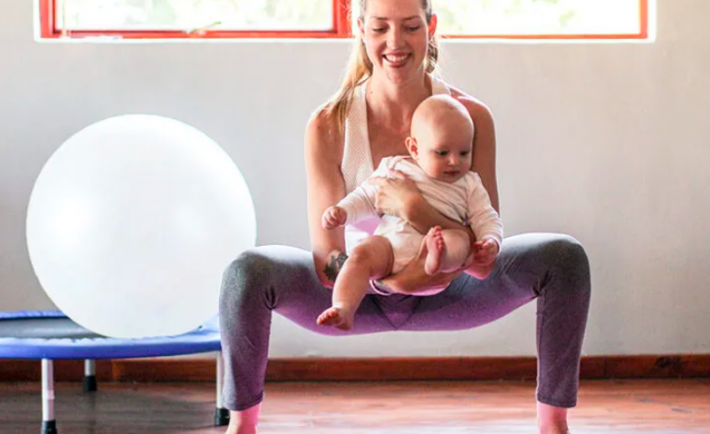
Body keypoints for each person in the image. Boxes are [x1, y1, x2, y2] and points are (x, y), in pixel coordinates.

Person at [219, 0, 591, 433]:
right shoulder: (329, 124)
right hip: (358, 296)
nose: (395, 43)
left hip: (453, 286)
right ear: (359, 28)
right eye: (380, 27)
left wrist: (413, 210)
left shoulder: (470, 118)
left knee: (565, 258)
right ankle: (241, 426)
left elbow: (483, 244)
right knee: (246, 272)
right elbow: (326, 260)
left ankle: (554, 425)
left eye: (410, 26)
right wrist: (386, 279)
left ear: (430, 27)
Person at [317, 94, 504, 331]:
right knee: (361, 255)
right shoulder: (396, 167)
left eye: (464, 153)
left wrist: (491, 240)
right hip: (390, 249)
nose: (455, 162)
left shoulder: (469, 184)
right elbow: (366, 196)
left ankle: (435, 259)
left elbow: (486, 217)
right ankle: (344, 306)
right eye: (442, 153)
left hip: (439, 255)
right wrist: (342, 211)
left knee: (459, 241)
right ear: (414, 148)